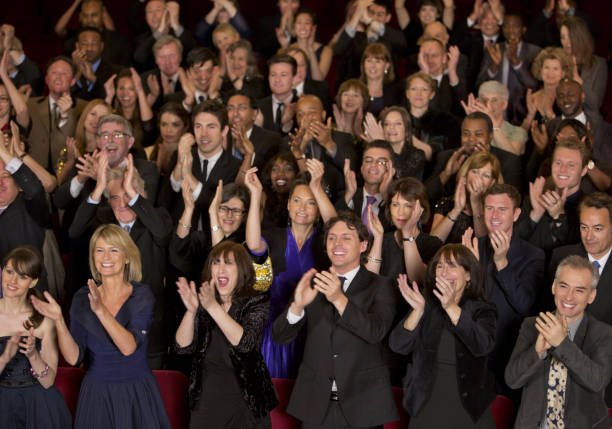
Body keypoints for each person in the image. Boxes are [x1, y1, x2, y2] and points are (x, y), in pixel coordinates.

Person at [31, 224, 171, 429]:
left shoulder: (141, 295)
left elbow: (128, 348)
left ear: (127, 257)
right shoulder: (82, 297)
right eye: (99, 250)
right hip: (97, 394)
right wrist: (59, 320)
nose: (106, 257)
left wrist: (100, 311)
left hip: (136, 392)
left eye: (114, 250)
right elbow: (73, 357)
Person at [272, 211, 398, 428]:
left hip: (363, 407)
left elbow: (375, 332)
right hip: (316, 406)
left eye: (346, 238)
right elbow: (280, 336)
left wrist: (339, 299)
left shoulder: (380, 285)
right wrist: (297, 307)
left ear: (363, 246)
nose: (337, 243)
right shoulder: (313, 283)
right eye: (332, 238)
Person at [244, 162, 336, 378]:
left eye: (311, 203)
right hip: (274, 327)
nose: (302, 208)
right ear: (288, 205)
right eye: (297, 200)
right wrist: (255, 195)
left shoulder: (325, 244)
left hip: (311, 330)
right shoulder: (274, 236)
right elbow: (253, 245)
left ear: (318, 209)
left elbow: (335, 224)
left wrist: (317, 187)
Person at [389, 244, 497, 428]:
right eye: (440, 266)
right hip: (426, 404)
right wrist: (417, 311)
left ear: (468, 274)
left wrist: (450, 306)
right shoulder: (426, 304)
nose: (444, 272)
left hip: (468, 407)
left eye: (452, 265)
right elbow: (397, 345)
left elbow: (482, 345)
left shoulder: (483, 309)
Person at [174, 241, 278, 428]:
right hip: (207, 401)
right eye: (216, 262)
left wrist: (212, 307)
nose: (221, 269)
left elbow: (245, 343)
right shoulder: (205, 301)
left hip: (246, 403)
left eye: (228, 263)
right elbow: (182, 348)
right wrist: (191, 311)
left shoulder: (256, 301)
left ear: (241, 269)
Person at [505, 255, 612, 428]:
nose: (569, 297)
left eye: (579, 290)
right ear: (554, 286)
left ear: (591, 296)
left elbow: (597, 381)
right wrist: (537, 352)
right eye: (563, 286)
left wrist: (562, 343)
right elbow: (512, 380)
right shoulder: (532, 325)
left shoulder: (604, 333)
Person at [0, 246, 72, 428]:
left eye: (23, 276)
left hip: (39, 405)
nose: (12, 281)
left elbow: (48, 382)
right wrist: (4, 358)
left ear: (33, 282)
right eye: (9, 271)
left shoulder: (44, 320)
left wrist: (33, 355)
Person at [430, 151, 502, 244]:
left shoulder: (494, 210)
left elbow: (483, 245)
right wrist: (456, 210)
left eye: (486, 176)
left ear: (492, 183)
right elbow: (432, 243)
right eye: (475, 171)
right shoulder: (446, 203)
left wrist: (476, 203)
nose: (478, 179)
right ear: (466, 174)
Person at [559, 16, 608, 122]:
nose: (566, 42)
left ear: (580, 37)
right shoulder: (558, 61)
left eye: (570, 37)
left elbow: (595, 105)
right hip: (563, 121)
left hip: (589, 121)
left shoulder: (599, 64)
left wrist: (579, 81)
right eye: (563, 37)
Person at [359, 43, 400, 117]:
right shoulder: (355, 88)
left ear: (387, 66)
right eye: (369, 61)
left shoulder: (396, 93)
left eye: (377, 61)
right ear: (363, 64)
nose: (372, 66)